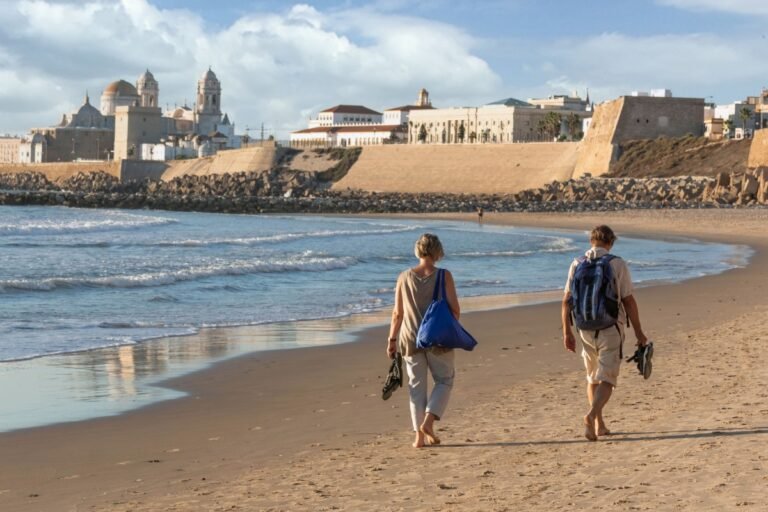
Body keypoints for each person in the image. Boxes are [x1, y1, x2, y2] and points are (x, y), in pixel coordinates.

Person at [561, 225, 648, 441]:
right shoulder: (616, 263)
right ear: (610, 242)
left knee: (592, 378)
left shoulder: (577, 263)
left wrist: (567, 332)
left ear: (592, 241)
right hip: (611, 328)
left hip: (584, 329)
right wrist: (639, 333)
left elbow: (566, 301)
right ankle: (591, 416)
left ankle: (600, 425)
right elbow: (628, 300)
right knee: (608, 378)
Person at [387, 233, 460, 448]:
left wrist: (391, 339)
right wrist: (450, 331)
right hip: (437, 337)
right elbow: (455, 309)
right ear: (438, 251)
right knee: (445, 380)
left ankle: (418, 438)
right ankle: (428, 422)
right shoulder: (444, 276)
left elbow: (397, 314)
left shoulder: (403, 277)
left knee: (416, 388)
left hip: (409, 337)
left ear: (418, 250)